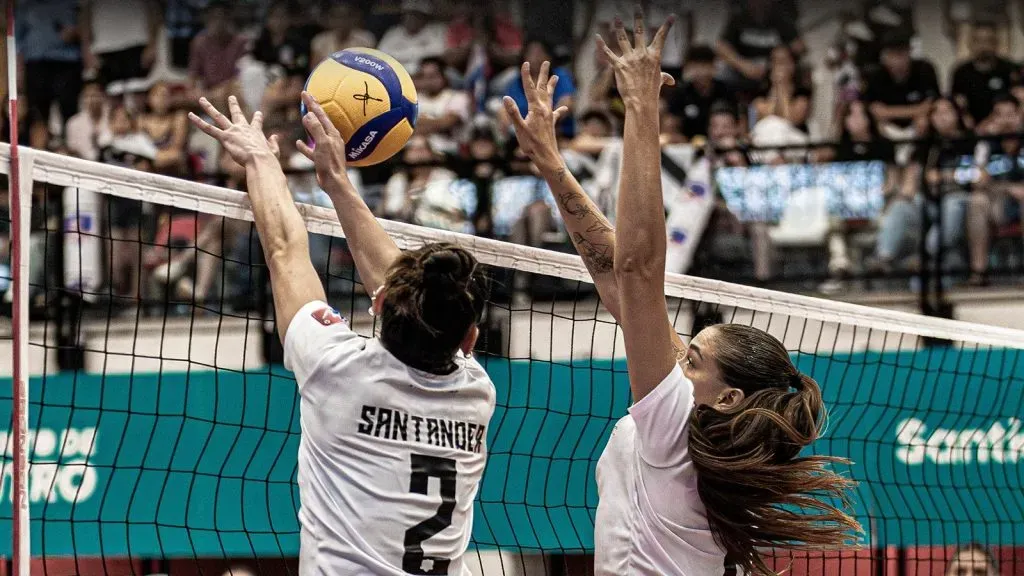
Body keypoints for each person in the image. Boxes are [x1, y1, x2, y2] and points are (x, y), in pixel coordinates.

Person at [503, 10, 860, 575]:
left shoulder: (673, 430)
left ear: (729, 397)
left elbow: (639, 270)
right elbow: (620, 278)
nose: (677, 355)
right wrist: (552, 165)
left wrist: (642, 107)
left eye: (692, 358)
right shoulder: (700, 430)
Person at [188, 92, 494, 575]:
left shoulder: (340, 370)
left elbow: (286, 248)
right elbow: (398, 287)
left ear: (378, 305)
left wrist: (263, 160)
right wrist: (338, 185)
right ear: (469, 341)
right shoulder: (476, 391)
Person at [951, 22, 1021, 127]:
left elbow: (1018, 101)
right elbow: (956, 103)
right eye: (978, 41)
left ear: (995, 44)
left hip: (1006, 129)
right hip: (972, 130)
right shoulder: (961, 72)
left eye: (988, 41)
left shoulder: (1009, 69)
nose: (983, 46)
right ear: (971, 44)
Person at [309, 1, 376, 67]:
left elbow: (371, 66)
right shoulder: (319, 41)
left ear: (353, 18)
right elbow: (314, 69)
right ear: (330, 19)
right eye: (337, 17)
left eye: (345, 17)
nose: (341, 21)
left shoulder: (366, 40)